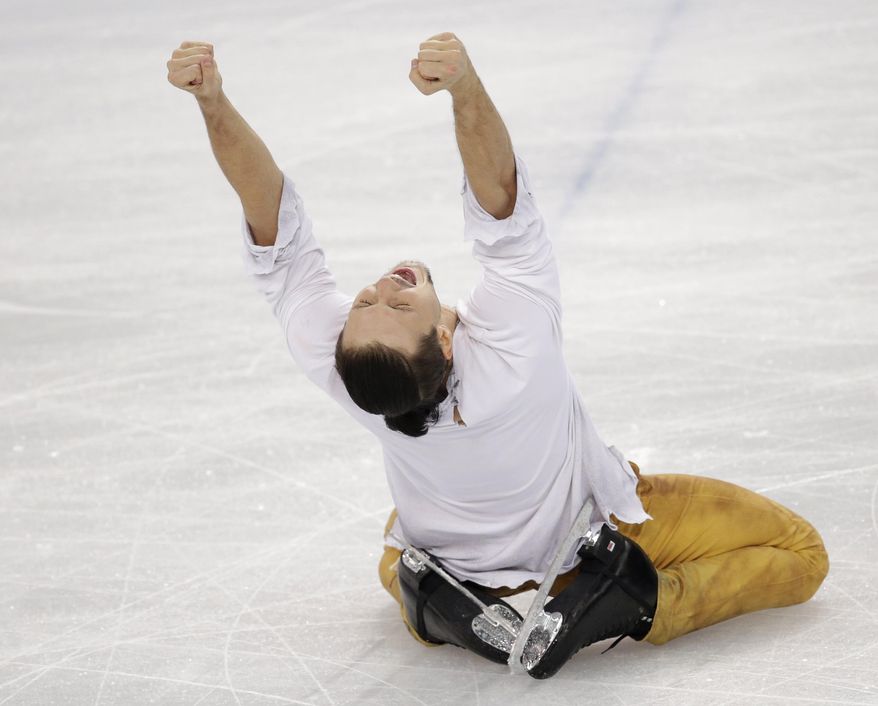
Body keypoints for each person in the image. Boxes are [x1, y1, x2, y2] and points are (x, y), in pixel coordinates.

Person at [166, 34, 830, 678]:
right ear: (447, 342)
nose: (379, 290)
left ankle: (431, 603)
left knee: (396, 556)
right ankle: (628, 599)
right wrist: (465, 88)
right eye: (396, 307)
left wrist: (213, 104)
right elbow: (502, 207)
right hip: (591, 533)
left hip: (454, 559)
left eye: (365, 302)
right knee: (800, 554)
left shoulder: (346, 369)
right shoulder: (513, 346)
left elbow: (274, 226)